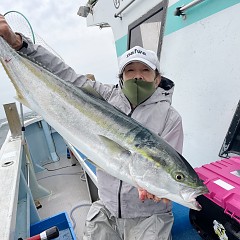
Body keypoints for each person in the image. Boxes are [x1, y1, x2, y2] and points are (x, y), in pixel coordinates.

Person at [0, 15, 183, 240]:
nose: (137, 77)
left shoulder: (170, 118)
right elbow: (64, 73)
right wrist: (18, 44)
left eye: (145, 71)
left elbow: (166, 167)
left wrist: (156, 188)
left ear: (157, 79)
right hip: (107, 207)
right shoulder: (106, 97)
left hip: (148, 214)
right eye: (130, 71)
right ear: (121, 78)